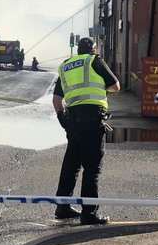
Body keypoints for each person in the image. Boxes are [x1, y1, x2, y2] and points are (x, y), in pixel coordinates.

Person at [51, 37, 121, 225]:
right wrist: (102, 89)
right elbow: (116, 86)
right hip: (93, 119)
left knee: (71, 165)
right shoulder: (94, 61)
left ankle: (62, 206)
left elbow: (57, 100)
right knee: (92, 168)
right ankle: (89, 213)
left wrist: (62, 119)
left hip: (73, 121)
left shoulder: (65, 65)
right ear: (93, 50)